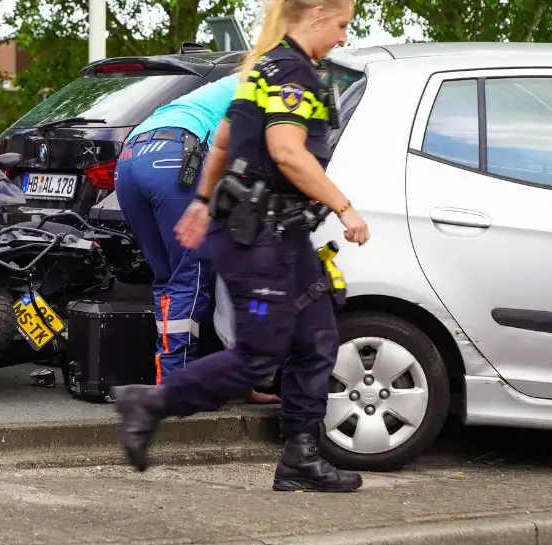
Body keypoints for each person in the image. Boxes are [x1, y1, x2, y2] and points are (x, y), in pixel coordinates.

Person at [110, 0, 371, 492]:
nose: (342, 37)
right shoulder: (293, 73)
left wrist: (202, 201)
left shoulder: (262, 69)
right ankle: (149, 402)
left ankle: (301, 455)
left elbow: (224, 142)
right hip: (261, 239)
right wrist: (344, 207)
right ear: (316, 14)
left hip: (283, 233)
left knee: (316, 341)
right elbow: (287, 152)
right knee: (258, 354)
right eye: (341, 25)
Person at [116, 74, 279, 405]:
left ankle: (177, 379)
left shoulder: (229, 83)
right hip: (176, 157)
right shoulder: (273, 81)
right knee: (191, 275)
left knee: (170, 280)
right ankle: (174, 389)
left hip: (130, 158)